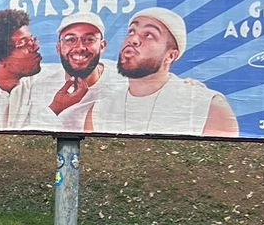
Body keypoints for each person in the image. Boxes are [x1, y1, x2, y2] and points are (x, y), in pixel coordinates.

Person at [85, 8, 239, 137]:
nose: (133, 40)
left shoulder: (208, 106)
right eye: (131, 31)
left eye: (149, 35)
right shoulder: (101, 109)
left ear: (170, 55)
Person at [10, 12, 120, 132]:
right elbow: (23, 134)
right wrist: (56, 107)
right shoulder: (36, 81)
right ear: (58, 48)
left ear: (102, 46)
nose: (80, 47)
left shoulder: (122, 81)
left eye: (89, 39)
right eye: (70, 40)